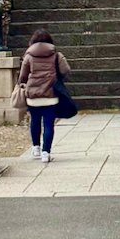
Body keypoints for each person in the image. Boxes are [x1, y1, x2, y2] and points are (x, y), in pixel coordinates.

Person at [18, 28, 72, 163]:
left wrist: (23, 83)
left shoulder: (29, 56)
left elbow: (23, 76)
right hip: (50, 94)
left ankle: (36, 147)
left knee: (34, 121)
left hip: (33, 95)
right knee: (48, 124)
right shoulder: (56, 55)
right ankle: (46, 152)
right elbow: (66, 70)